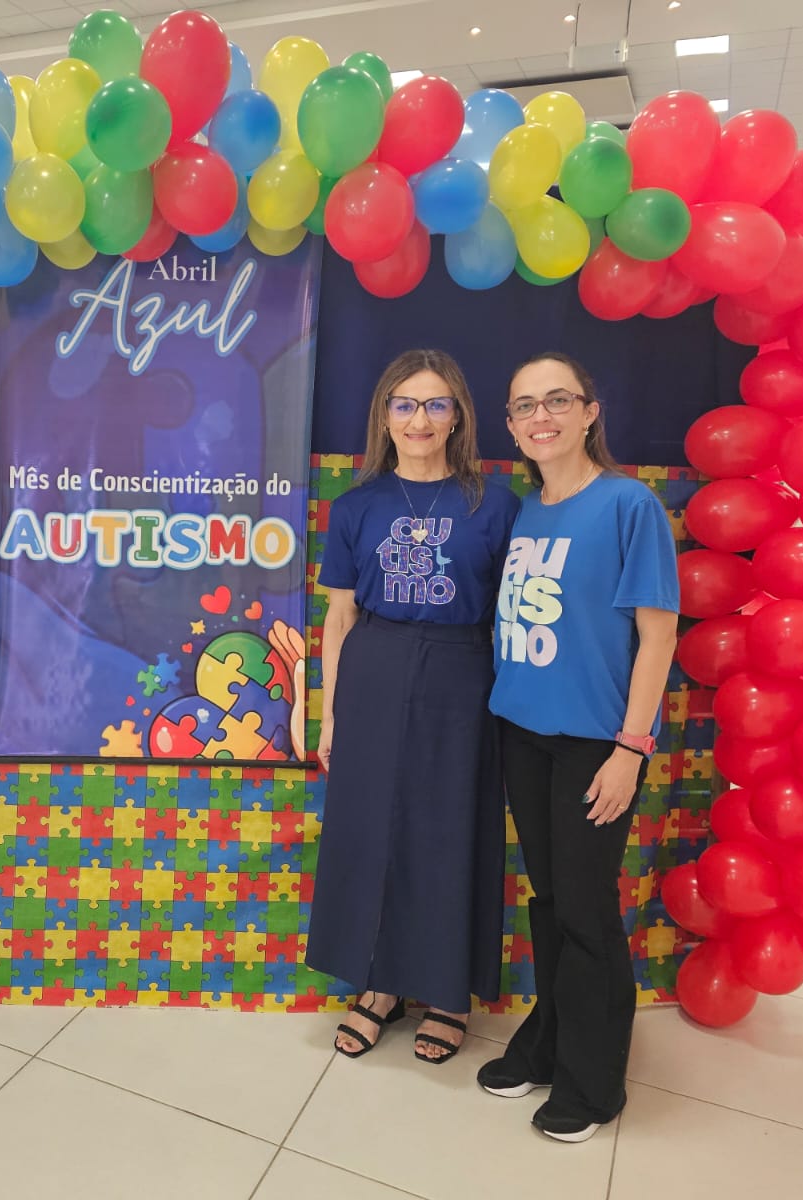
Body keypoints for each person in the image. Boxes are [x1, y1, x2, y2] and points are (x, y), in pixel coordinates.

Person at [479, 352, 679, 1142]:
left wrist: (630, 749)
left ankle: (594, 1086)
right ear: (510, 425)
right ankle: (549, 1038)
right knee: (552, 899)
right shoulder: (527, 511)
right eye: (525, 405)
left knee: (588, 910)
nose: (542, 416)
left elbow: (658, 636)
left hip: (596, 744)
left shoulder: (629, 504)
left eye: (558, 399)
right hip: (522, 733)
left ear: (590, 411)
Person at [305, 349, 521, 1066]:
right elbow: (339, 618)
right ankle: (379, 983)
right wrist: (331, 714)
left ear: (457, 415)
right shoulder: (355, 506)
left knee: (447, 832)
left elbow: (511, 613)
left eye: (435, 404)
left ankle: (448, 993)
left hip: (462, 674)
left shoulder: (495, 504)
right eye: (404, 404)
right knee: (372, 831)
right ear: (384, 416)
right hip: (374, 670)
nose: (419, 419)